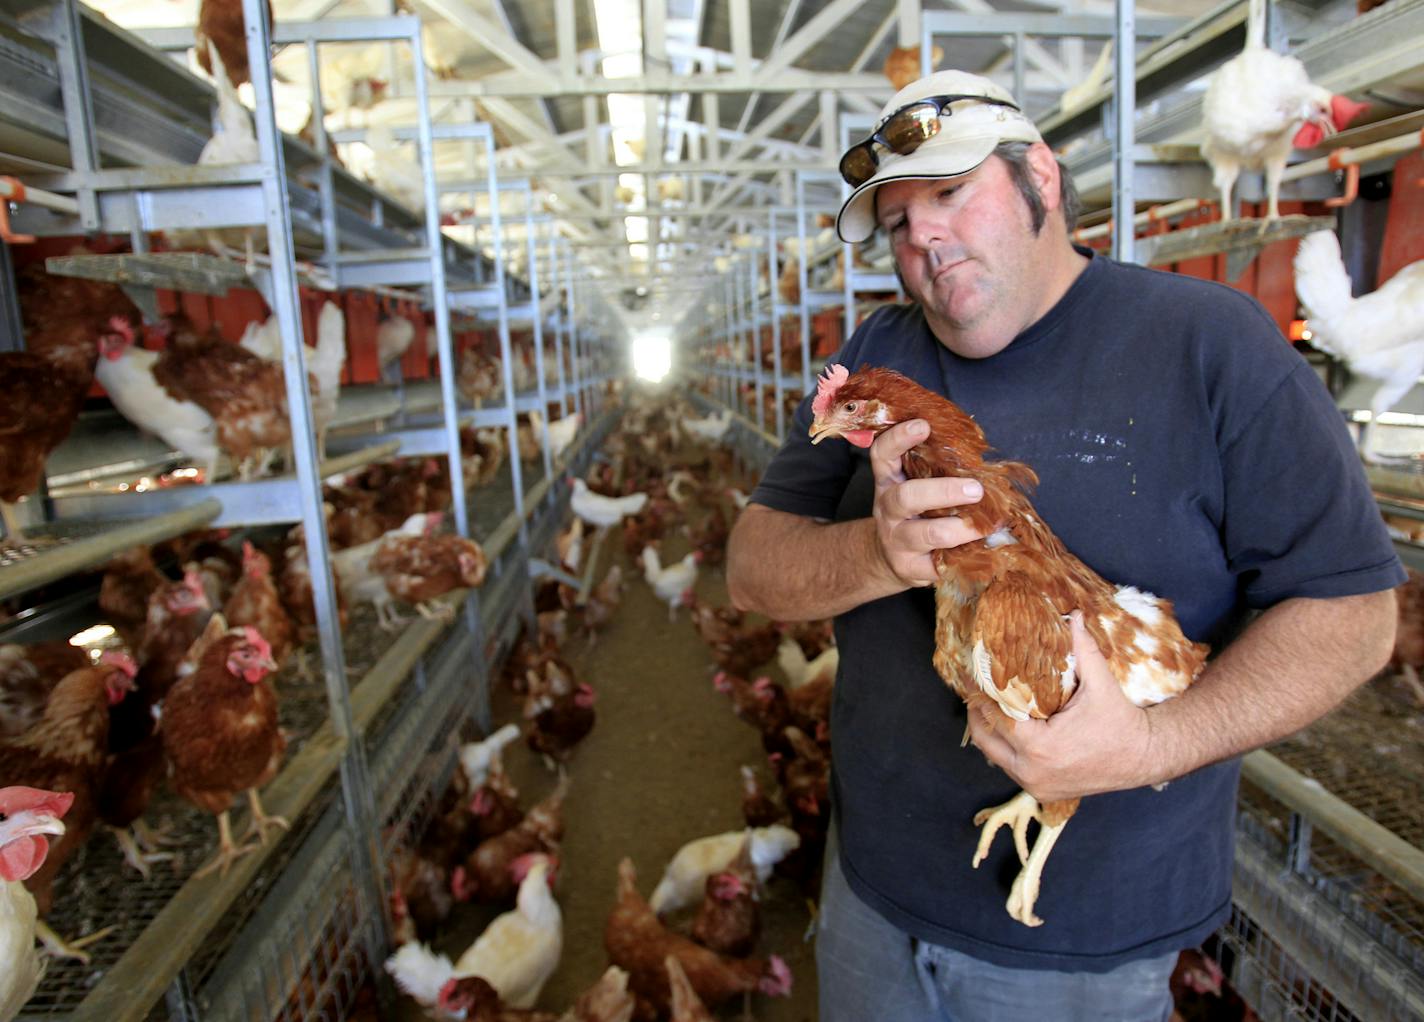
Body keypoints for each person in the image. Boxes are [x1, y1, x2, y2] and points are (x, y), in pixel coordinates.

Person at [726, 69, 1401, 1022]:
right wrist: (877, 556)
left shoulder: (1209, 344)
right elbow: (751, 568)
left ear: (1039, 176)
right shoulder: (876, 355)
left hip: (1080, 948)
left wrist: (1151, 744)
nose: (920, 236)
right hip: (871, 894)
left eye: (951, 192)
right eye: (895, 221)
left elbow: (1356, 613)